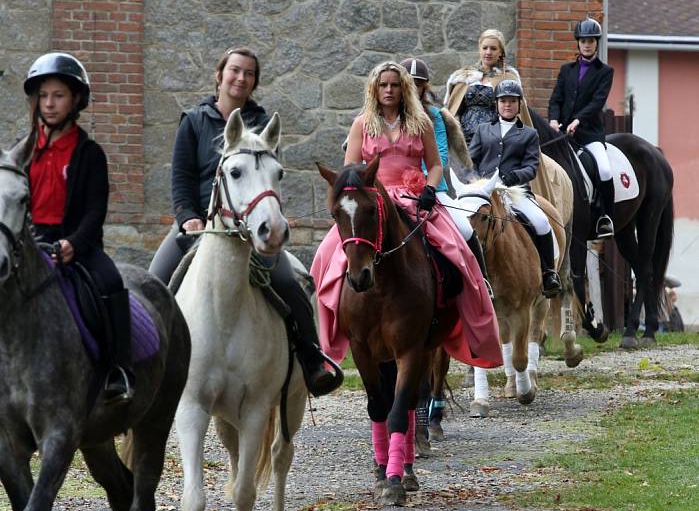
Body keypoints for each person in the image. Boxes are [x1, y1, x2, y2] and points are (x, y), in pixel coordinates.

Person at [149, 46, 341, 397]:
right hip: (200, 226)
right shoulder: (193, 122)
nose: (240, 78)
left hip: (250, 231)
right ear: (219, 75)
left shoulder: (262, 124)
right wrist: (188, 217)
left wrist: (271, 218)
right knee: (152, 285)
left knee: (291, 285)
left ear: (254, 82)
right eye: (234, 70)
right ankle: (141, 368)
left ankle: (312, 361)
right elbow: (181, 179)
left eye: (249, 73)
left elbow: (269, 181)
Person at [311, 61, 502, 369]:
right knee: (323, 256)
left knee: (463, 239)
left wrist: (430, 187)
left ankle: (477, 297)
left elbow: (437, 164)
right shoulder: (362, 123)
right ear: (375, 89)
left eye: (395, 85)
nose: (389, 90)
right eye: (383, 85)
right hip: (372, 200)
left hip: (415, 197)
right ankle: (326, 343)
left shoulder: (421, 122)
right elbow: (350, 171)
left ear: (404, 89)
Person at [23, 52, 134, 404]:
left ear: (75, 100)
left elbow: (95, 209)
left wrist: (74, 243)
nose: (50, 103)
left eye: (58, 95)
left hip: (76, 246)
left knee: (112, 283)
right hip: (29, 243)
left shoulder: (90, 153)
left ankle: (119, 371)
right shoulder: (22, 151)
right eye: (43, 96)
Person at [399, 56, 493, 300]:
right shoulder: (384, 115)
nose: (412, 88)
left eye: (417, 83)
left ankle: (481, 284)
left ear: (424, 87)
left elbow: (438, 154)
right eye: (407, 82)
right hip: (393, 189)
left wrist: (424, 185)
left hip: (431, 188)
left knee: (464, 229)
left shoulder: (435, 116)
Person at [469, 79, 562, 298]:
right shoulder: (483, 130)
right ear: (497, 104)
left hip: (515, 192)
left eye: (512, 101)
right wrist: (475, 180)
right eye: (503, 101)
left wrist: (513, 177)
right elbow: (471, 160)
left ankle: (549, 273)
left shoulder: (529, 134)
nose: (507, 105)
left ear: (519, 104)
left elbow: (531, 167)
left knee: (540, 221)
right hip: (486, 191)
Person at [548, 17, 615, 238]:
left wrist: (578, 121)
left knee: (604, 170)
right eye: (584, 40)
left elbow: (597, 102)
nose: (587, 44)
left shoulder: (605, 71)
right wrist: (553, 120)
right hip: (563, 135)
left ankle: (606, 217)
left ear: (597, 43)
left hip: (590, 135)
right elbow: (556, 99)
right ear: (578, 43)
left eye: (591, 41)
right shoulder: (566, 70)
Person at [444, 29, 524, 144]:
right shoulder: (464, 76)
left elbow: (517, 111)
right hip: (464, 138)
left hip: (496, 140)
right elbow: (453, 108)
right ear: (479, 50)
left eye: (493, 48)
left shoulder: (509, 79)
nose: (488, 52)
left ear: (501, 52)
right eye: (485, 48)